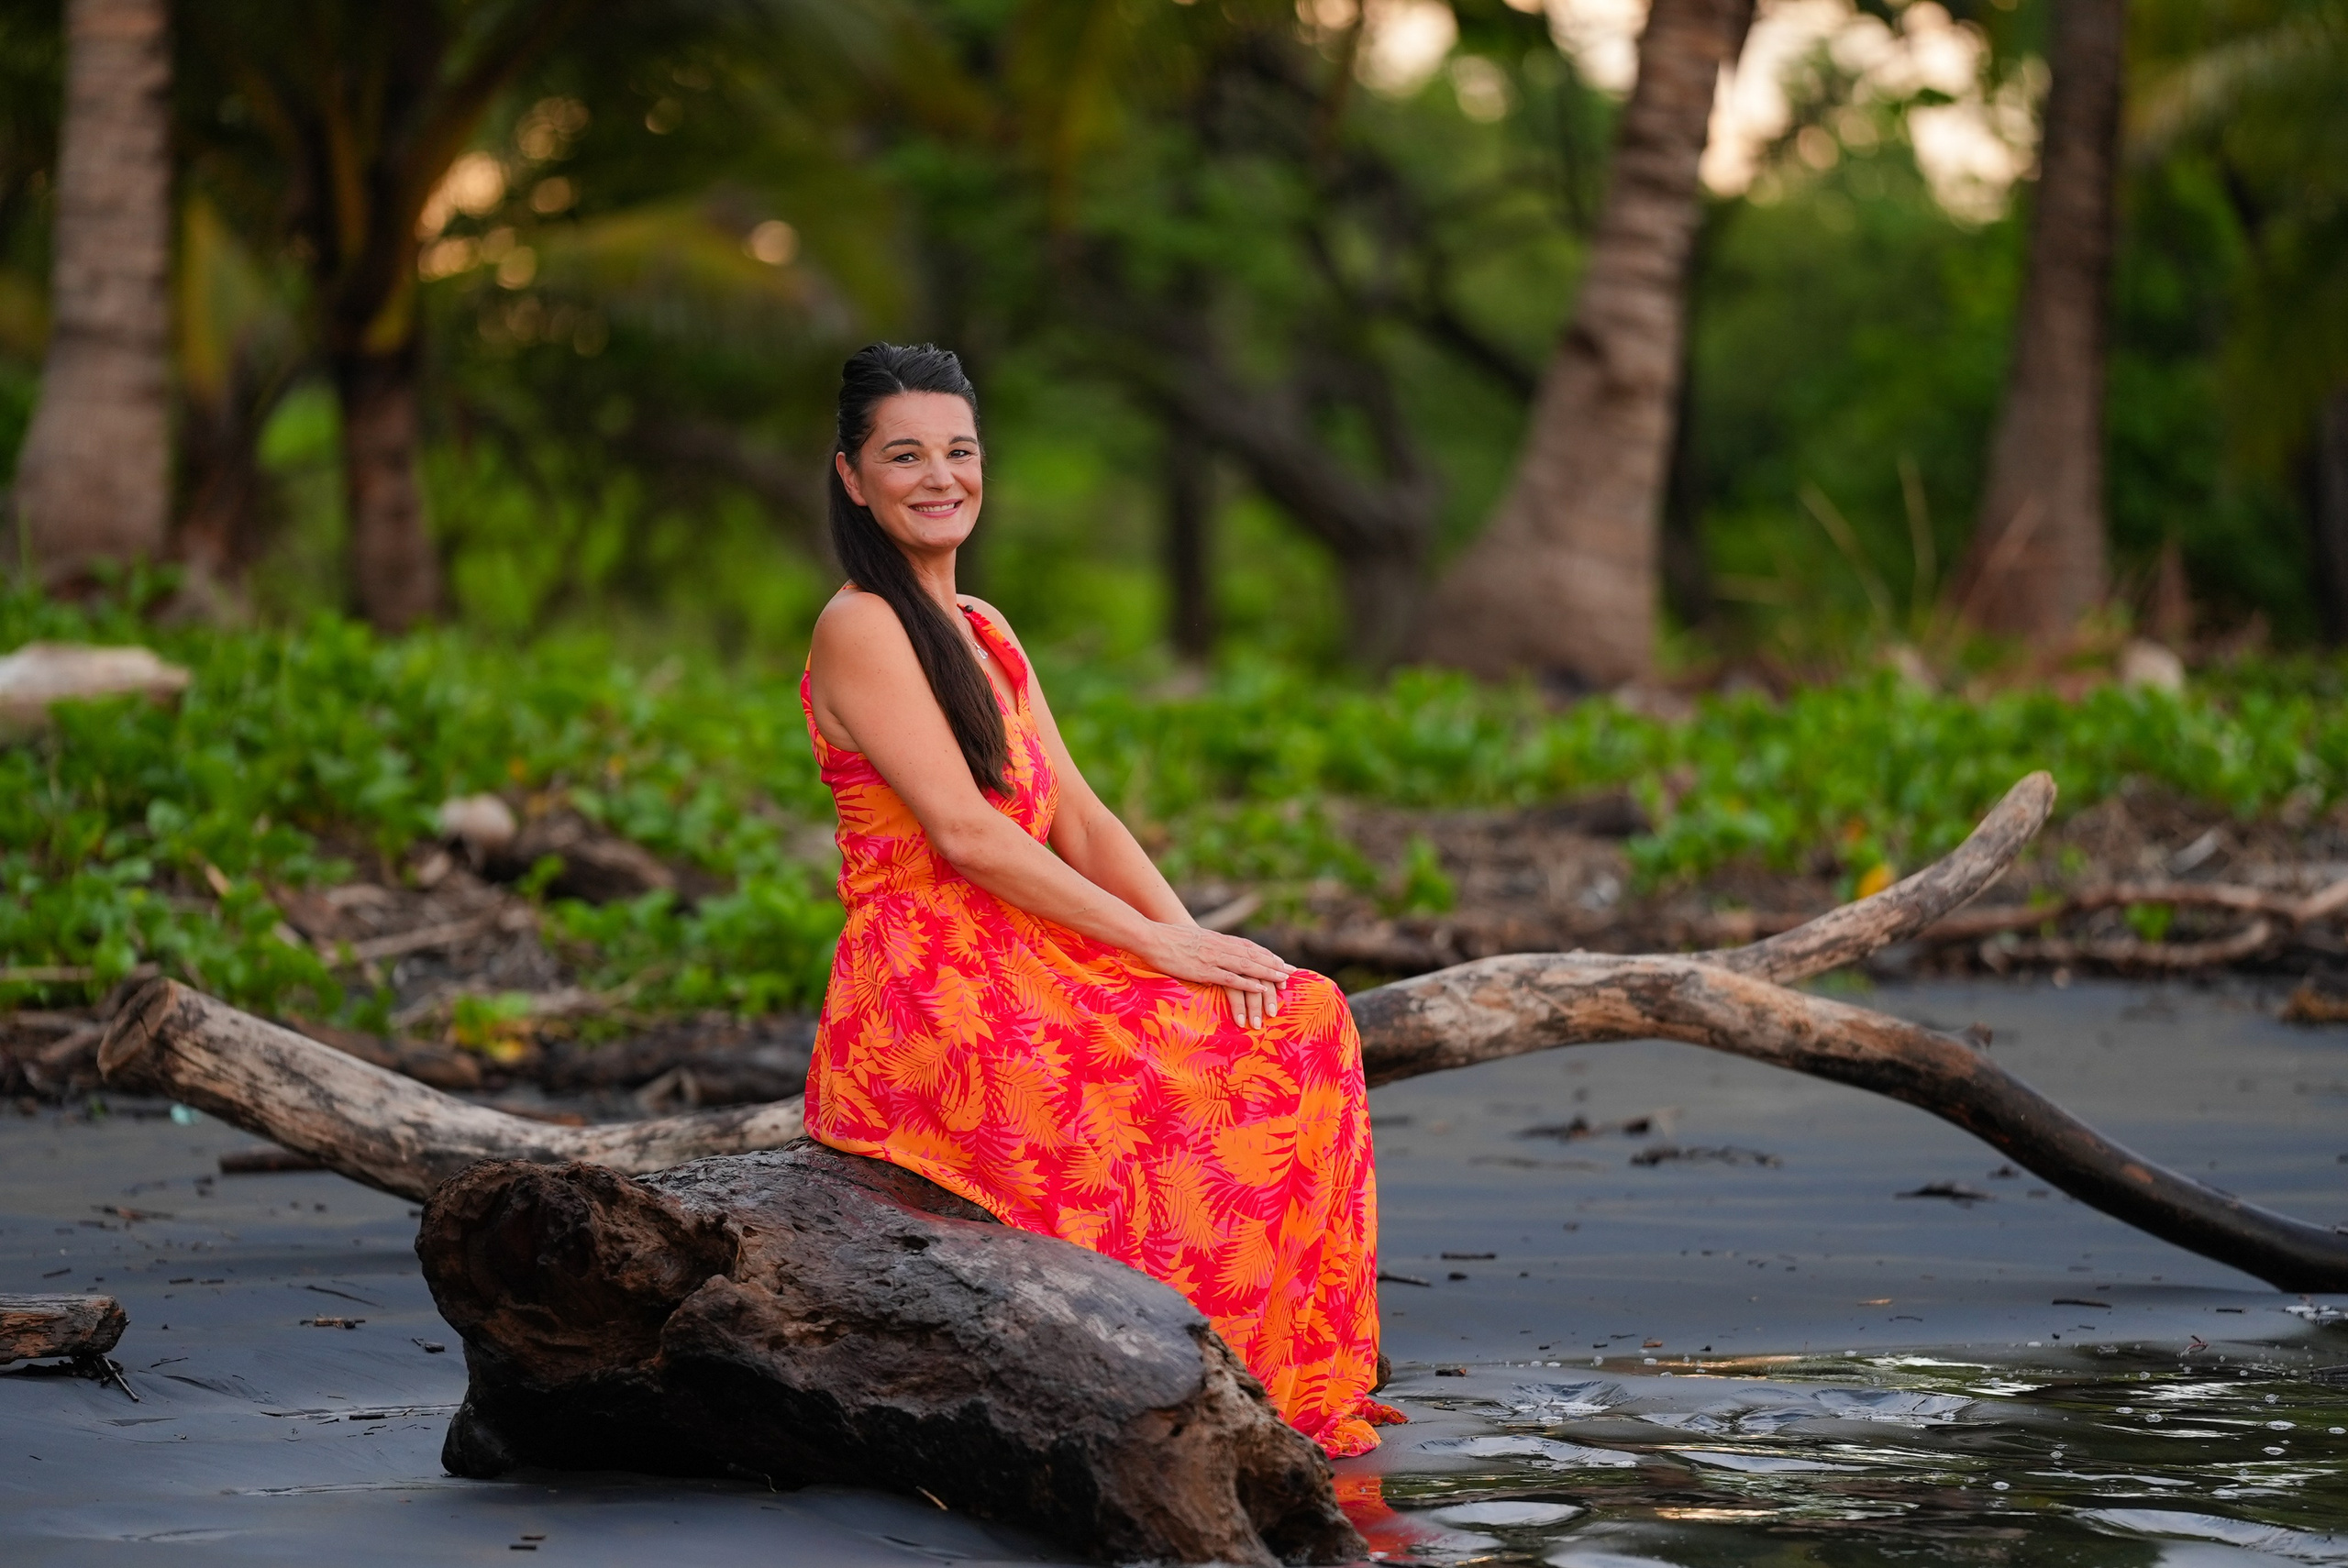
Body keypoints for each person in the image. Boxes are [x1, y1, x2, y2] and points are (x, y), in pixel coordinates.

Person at [799, 342, 1400, 1457]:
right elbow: (968, 836)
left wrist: (1192, 939)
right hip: (932, 989)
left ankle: (1266, 1381)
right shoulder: (860, 626)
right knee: (1149, 1091)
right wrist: (1155, 952)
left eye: (960, 451)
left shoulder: (982, 628)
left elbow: (1076, 815)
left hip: (1033, 948)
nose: (940, 477)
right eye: (905, 455)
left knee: (1299, 1013)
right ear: (851, 476)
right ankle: (1162, 1379)